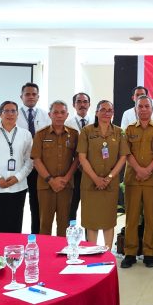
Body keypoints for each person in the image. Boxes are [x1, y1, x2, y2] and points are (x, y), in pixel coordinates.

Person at [77, 100, 129, 247]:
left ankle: (107, 253)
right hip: (90, 183)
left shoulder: (119, 132)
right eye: (103, 109)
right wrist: (96, 179)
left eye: (109, 110)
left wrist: (109, 178)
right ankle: (92, 252)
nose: (106, 113)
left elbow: (123, 157)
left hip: (110, 184)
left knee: (108, 221)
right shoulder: (86, 131)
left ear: (113, 113)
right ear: (96, 112)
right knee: (91, 221)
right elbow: (82, 157)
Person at [0, 101, 33, 233]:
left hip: (17, 188)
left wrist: (17, 178)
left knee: (13, 226)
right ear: (0, 114)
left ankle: (11, 254)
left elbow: (29, 161)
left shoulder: (26, 134)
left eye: (13, 111)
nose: (10, 114)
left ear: (17, 114)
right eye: (6, 111)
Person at [121, 96, 153, 268]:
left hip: (152, 180)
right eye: (141, 106)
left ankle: (149, 253)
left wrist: (147, 171)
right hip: (133, 179)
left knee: (151, 217)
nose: (144, 109)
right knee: (131, 217)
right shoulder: (129, 129)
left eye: (147, 106)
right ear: (136, 109)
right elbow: (126, 153)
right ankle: (130, 253)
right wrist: (139, 170)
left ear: (152, 109)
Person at [31, 100, 79, 236]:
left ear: (67, 115)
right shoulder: (41, 134)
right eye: (55, 112)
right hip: (46, 186)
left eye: (62, 112)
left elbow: (77, 159)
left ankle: (63, 254)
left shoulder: (74, 134)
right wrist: (51, 180)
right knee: (44, 223)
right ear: (49, 114)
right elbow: (36, 160)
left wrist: (66, 178)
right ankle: (45, 254)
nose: (59, 115)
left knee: (65, 224)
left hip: (66, 186)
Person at [16, 82, 50, 234]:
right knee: (17, 204)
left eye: (33, 94)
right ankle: (15, 236)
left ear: (38, 97)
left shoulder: (45, 115)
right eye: (27, 94)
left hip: (39, 166)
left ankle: (36, 237)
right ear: (21, 97)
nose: (30, 97)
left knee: (37, 205)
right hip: (19, 166)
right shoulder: (13, 115)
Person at [64, 92, 92, 222]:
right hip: (73, 171)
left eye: (85, 102)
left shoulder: (96, 123)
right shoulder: (67, 124)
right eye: (79, 102)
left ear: (89, 104)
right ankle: (72, 235)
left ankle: (89, 239)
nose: (82, 105)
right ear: (74, 105)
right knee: (71, 206)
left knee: (89, 207)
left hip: (92, 171)